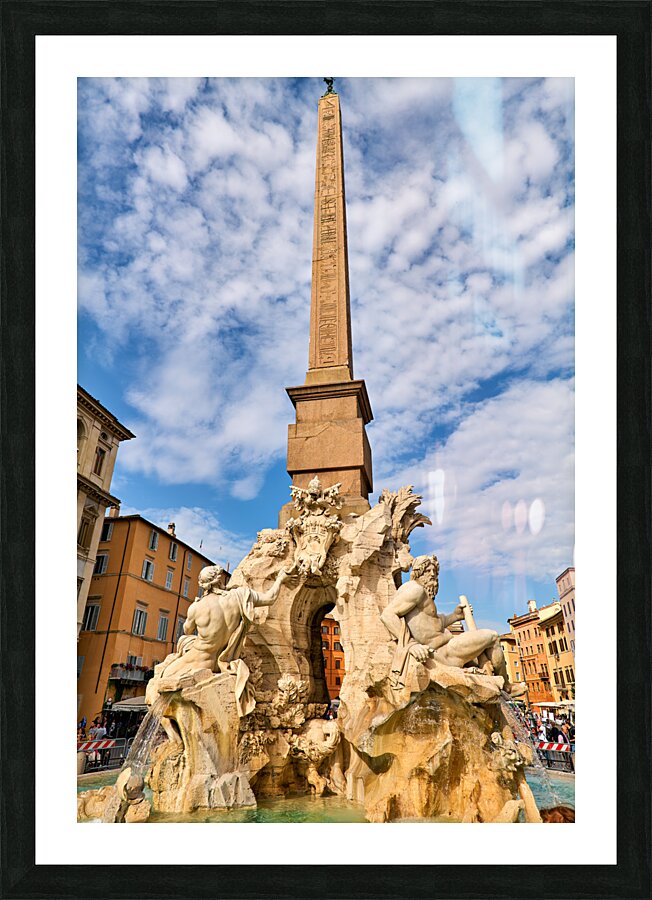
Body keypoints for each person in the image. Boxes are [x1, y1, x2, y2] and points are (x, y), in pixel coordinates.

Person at [155, 564, 292, 716]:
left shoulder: (197, 607)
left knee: (157, 686)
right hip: (218, 662)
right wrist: (281, 578)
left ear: (202, 584)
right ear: (220, 579)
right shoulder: (240, 596)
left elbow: (187, 630)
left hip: (196, 660)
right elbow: (270, 598)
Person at [380, 554, 526, 696]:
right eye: (427, 571)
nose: (432, 575)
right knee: (493, 637)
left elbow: (434, 625)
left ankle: (494, 680)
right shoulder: (415, 590)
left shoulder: (422, 594)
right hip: (442, 653)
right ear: (418, 572)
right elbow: (387, 615)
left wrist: (455, 616)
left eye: (434, 571)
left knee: (483, 649)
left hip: (446, 646)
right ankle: (507, 687)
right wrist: (411, 645)